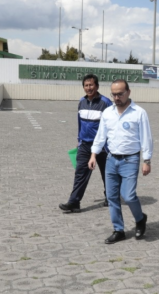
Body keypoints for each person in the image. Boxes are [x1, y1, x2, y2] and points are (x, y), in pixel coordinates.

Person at [89, 79, 153, 244]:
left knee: (129, 195)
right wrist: (93, 154)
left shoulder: (139, 113)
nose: (116, 98)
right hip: (111, 159)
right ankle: (119, 230)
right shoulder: (108, 113)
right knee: (111, 197)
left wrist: (147, 160)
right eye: (114, 94)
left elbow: (146, 138)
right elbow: (101, 135)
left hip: (130, 160)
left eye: (120, 94)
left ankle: (140, 219)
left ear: (128, 92)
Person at [59, 74, 112, 213]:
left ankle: (110, 197)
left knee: (107, 173)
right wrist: (79, 140)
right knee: (80, 173)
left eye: (91, 85)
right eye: (86, 85)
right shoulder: (81, 102)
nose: (88, 88)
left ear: (97, 86)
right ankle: (74, 202)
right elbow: (80, 123)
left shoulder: (105, 102)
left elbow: (112, 124)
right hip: (85, 145)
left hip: (103, 146)